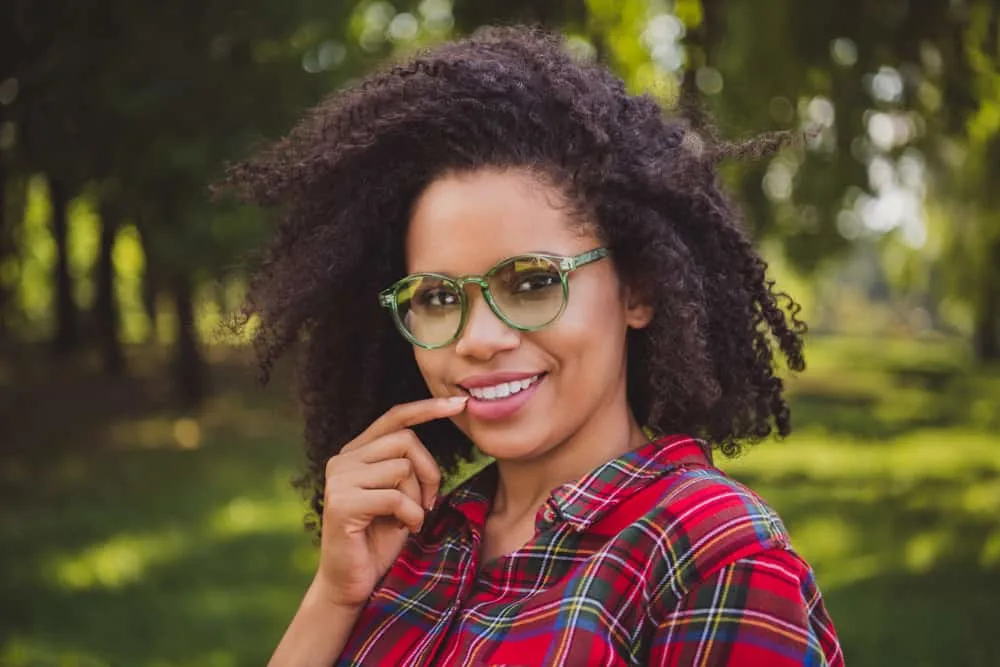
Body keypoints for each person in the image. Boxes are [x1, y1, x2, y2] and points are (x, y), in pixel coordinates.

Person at [219, 25, 844, 667]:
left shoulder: (716, 556)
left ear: (638, 291)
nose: (479, 339)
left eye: (533, 283)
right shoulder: (413, 539)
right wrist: (335, 596)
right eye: (437, 298)